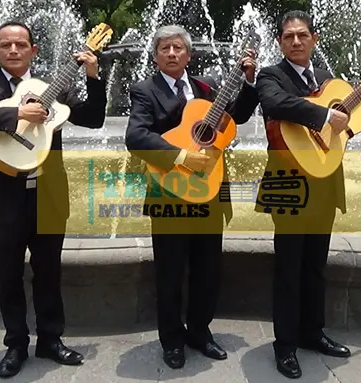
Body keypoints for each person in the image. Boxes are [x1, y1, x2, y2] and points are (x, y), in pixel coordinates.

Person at [254, 10, 361, 379]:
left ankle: (312, 333)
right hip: (288, 179)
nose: (295, 41)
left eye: (302, 35)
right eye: (288, 36)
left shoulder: (328, 80)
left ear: (314, 38)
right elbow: (275, 104)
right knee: (288, 268)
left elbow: (356, 116)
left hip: (325, 178)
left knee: (315, 265)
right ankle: (285, 346)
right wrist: (323, 117)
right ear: (280, 42)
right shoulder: (271, 75)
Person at [0, 21, 107, 378]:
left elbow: (95, 119)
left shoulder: (49, 88)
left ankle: (51, 340)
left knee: (49, 270)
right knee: (8, 273)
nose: (13, 50)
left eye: (20, 44)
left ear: (33, 50)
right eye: (5, 44)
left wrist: (94, 76)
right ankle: (16, 344)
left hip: (48, 191)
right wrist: (17, 114)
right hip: (1, 193)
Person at [124, 24, 259, 369]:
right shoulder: (144, 90)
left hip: (208, 188)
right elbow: (136, 137)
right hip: (168, 189)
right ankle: (172, 340)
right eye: (164, 48)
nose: (171, 54)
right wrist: (183, 156)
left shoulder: (206, 87)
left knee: (208, 269)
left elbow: (237, 116)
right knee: (169, 272)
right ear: (155, 55)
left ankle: (200, 331)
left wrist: (247, 81)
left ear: (189, 54)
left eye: (177, 48)